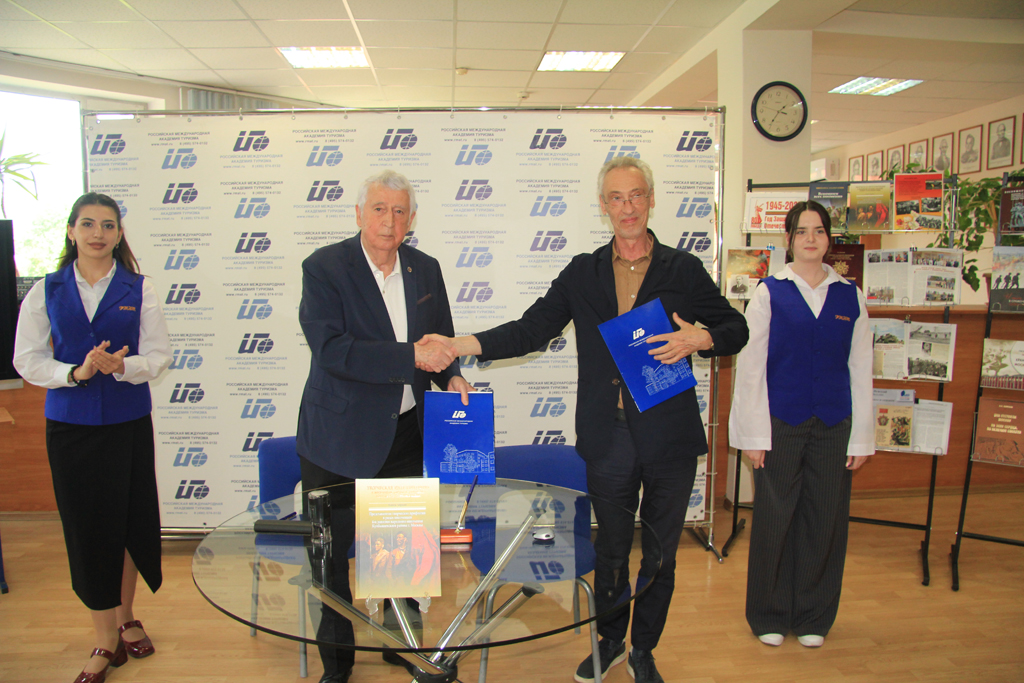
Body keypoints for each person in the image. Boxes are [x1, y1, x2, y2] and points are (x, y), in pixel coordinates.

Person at [425, 157, 748, 683]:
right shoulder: (583, 272)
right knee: (612, 551)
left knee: (661, 556)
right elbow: (531, 329)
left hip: (669, 436)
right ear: (604, 206)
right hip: (608, 436)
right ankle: (609, 642)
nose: (628, 207)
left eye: (636, 195)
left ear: (650, 200)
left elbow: (736, 327)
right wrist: (462, 345)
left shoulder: (683, 269)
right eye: (616, 198)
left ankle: (643, 650)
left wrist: (701, 337)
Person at [296, 169, 470, 683]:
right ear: (358, 213)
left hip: (405, 432)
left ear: (411, 219)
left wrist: (453, 374)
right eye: (379, 209)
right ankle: (337, 663)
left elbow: (441, 338)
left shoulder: (425, 268)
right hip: (336, 438)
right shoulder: (324, 267)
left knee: (401, 553)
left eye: (399, 211)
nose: (389, 221)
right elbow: (331, 349)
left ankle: (402, 643)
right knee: (330, 559)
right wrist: (410, 356)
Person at [13, 192, 172, 683]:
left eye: (107, 225)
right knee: (88, 531)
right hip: (71, 429)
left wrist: (123, 366)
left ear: (119, 234)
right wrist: (74, 373)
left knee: (127, 523)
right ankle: (105, 639)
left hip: (127, 425)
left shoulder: (139, 288)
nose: (97, 233)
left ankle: (126, 617)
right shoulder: (46, 289)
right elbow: (27, 358)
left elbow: (159, 357)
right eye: (87, 224)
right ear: (71, 231)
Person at [729, 200, 873, 650]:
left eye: (819, 230)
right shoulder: (769, 292)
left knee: (824, 519)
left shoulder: (851, 296)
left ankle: (813, 615)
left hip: (833, 424)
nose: (811, 239)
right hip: (780, 424)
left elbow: (860, 369)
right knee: (775, 519)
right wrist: (753, 436)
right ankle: (769, 614)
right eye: (802, 231)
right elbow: (751, 368)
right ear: (789, 240)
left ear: (829, 239)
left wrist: (861, 438)